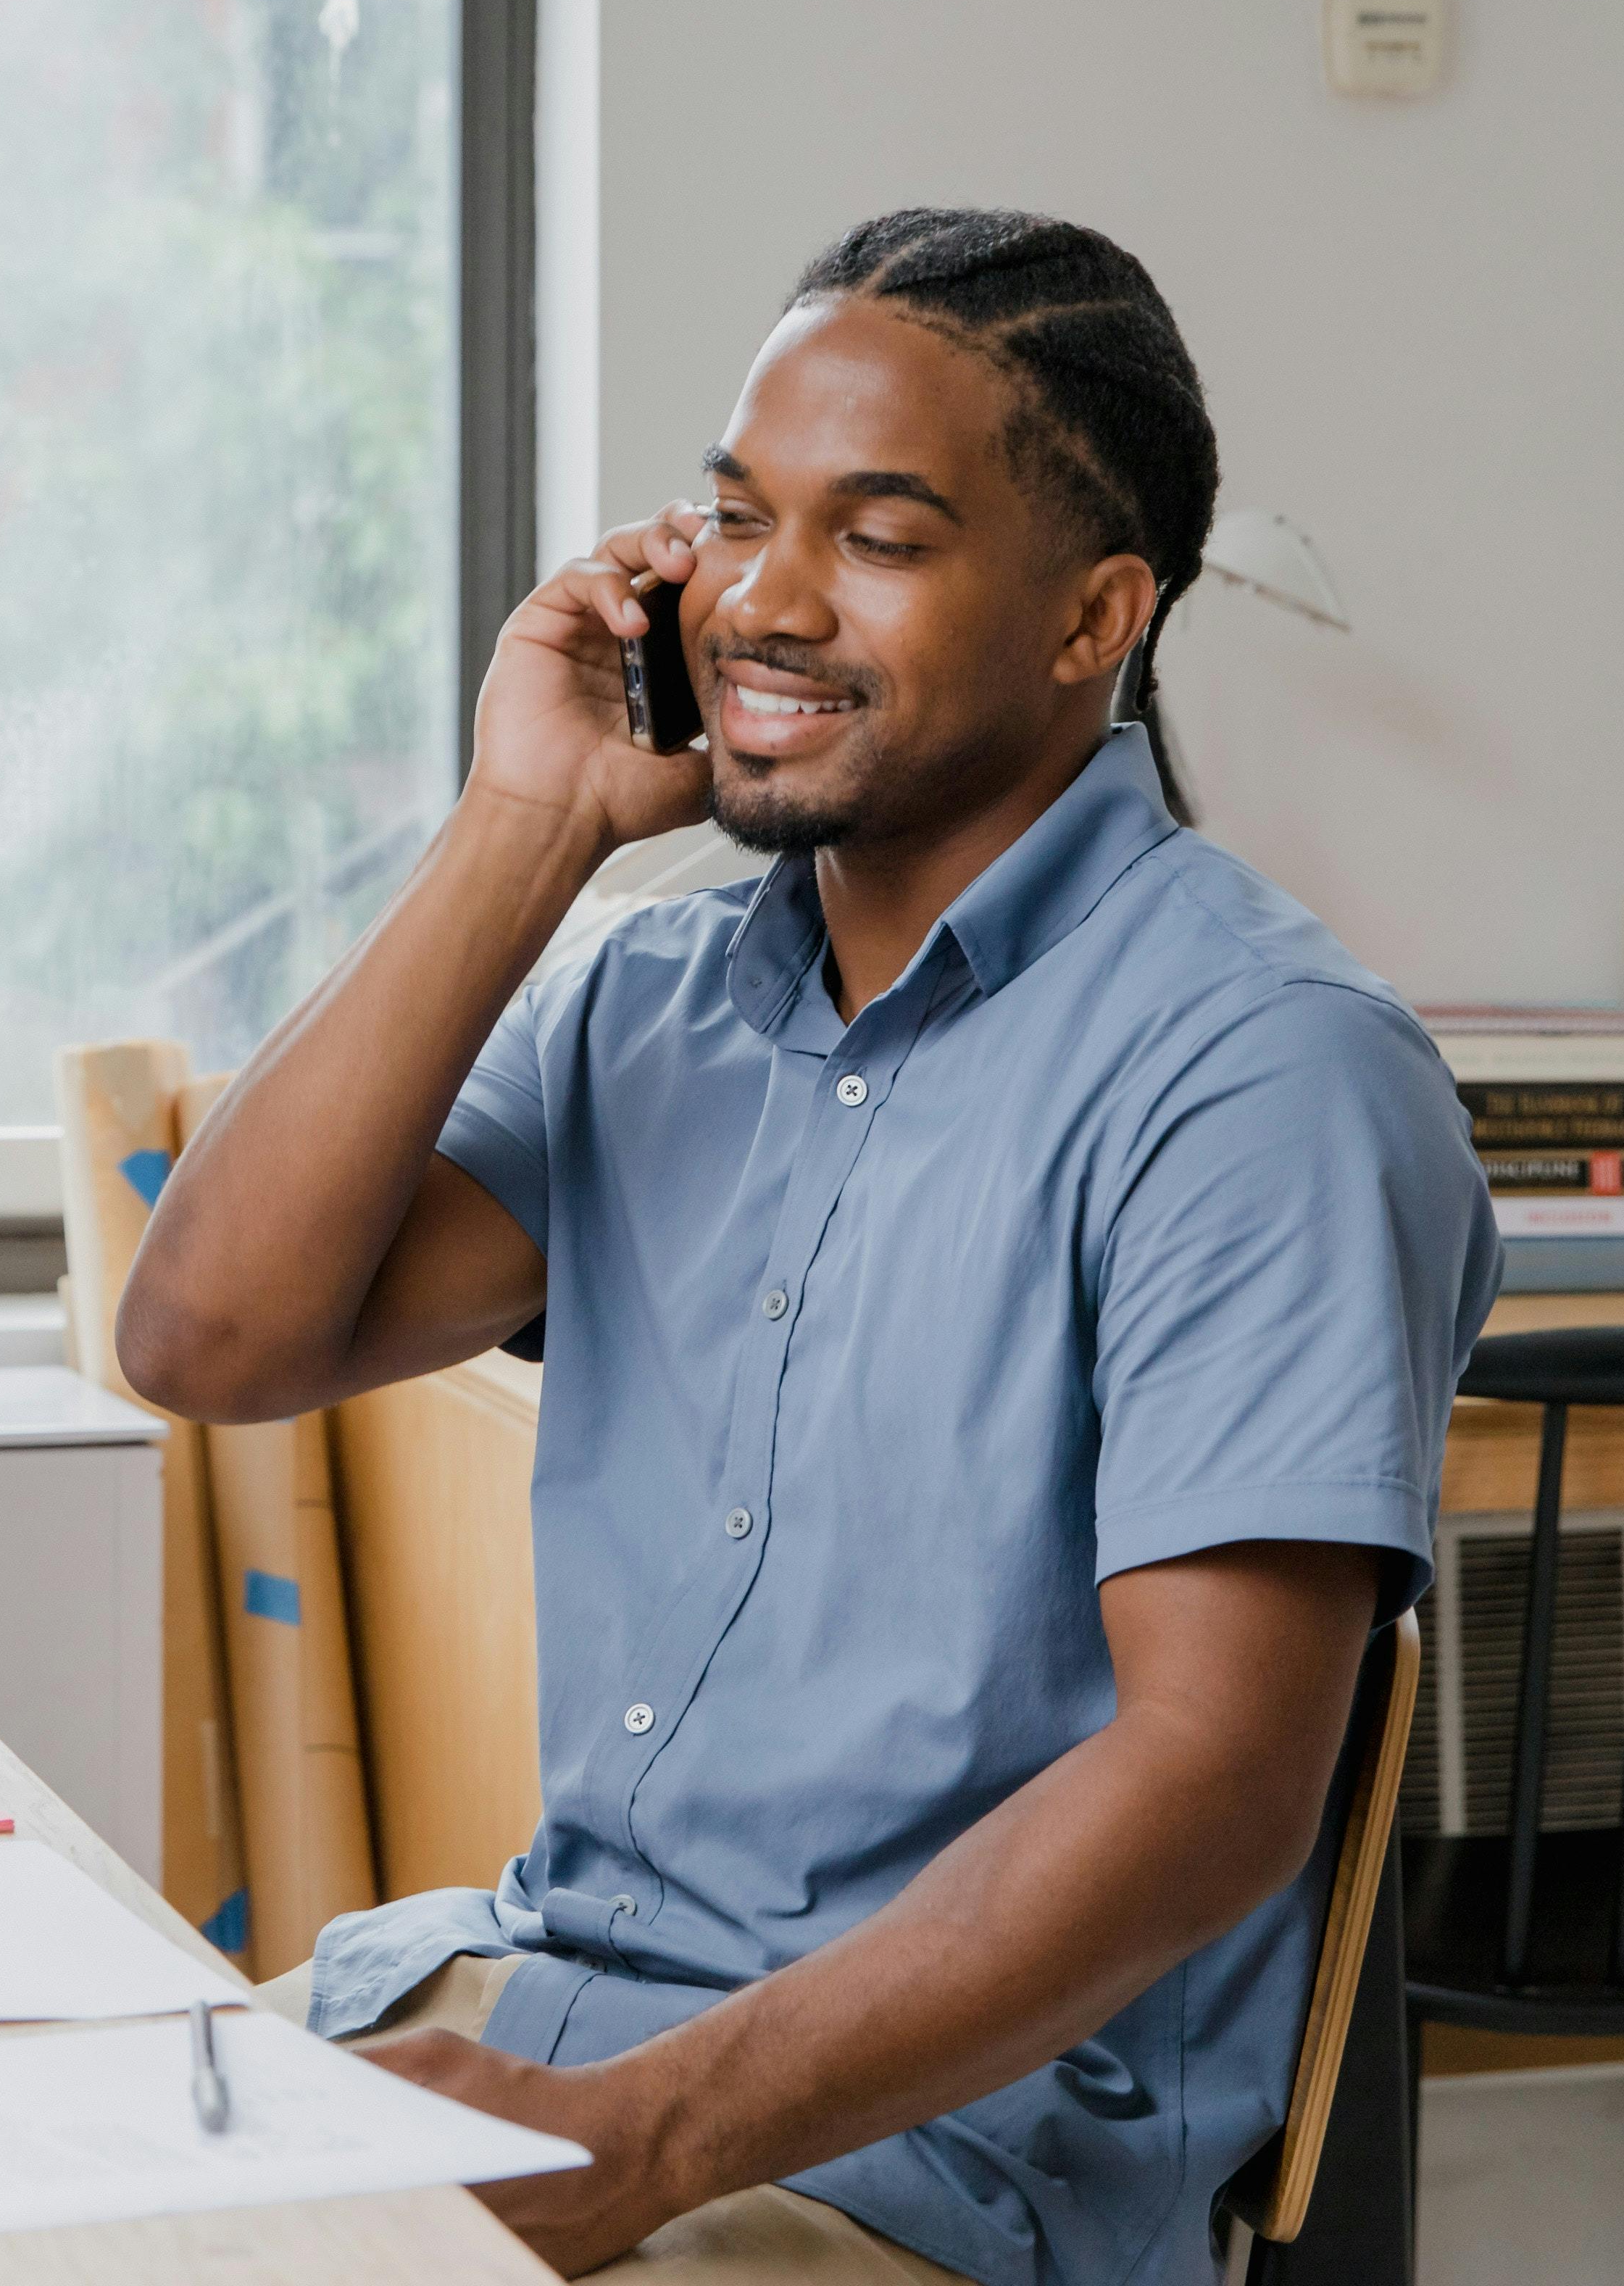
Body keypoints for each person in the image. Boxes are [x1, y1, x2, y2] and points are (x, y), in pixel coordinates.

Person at [120, 207, 1499, 2285]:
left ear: (1092, 617)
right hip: (528, 2015)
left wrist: (633, 2140)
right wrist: (530, 818)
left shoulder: (1260, 1075)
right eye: (737, 515)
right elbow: (211, 1332)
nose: (764, 600)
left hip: (917, 2165)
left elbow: (1215, 1777)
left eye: (881, 537)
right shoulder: (648, 1002)